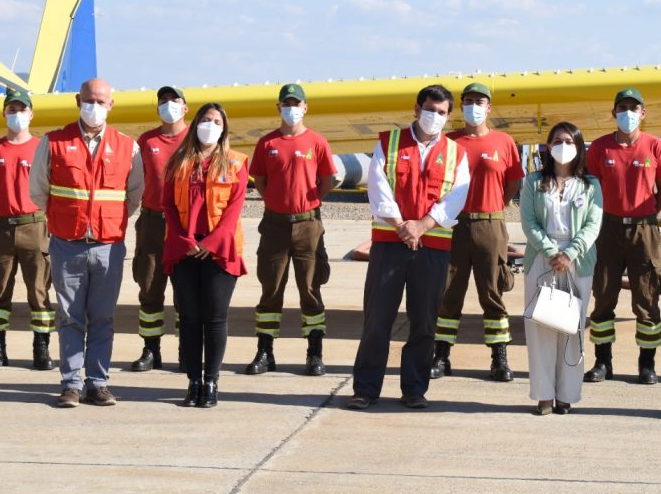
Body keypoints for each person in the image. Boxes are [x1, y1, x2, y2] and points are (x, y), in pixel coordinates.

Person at [349, 84, 470, 410]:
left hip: (432, 247)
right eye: (430, 110)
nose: (435, 117)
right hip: (390, 244)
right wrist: (402, 224)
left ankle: (414, 389)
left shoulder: (457, 154)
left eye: (442, 113)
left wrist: (423, 225)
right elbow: (378, 188)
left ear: (448, 116)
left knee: (424, 321)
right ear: (417, 109)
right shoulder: (388, 143)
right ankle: (365, 389)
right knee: (377, 319)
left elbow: (456, 196)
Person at [29, 78, 144, 408]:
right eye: (89, 100)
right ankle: (71, 383)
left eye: (101, 101)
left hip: (108, 246)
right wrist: (63, 221)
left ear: (111, 105)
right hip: (68, 245)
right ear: (79, 100)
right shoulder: (53, 142)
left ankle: (98, 382)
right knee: (70, 317)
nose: (94, 106)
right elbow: (38, 191)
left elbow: (134, 194)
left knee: (103, 318)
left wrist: (109, 222)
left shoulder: (127, 146)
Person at [431, 82, 523, 382]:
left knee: (493, 292)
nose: (474, 106)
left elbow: (512, 183)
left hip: (490, 226)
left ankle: (499, 358)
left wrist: (494, 207)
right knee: (448, 293)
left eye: (479, 101)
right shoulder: (448, 142)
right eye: (468, 101)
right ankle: (441, 356)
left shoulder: (504, 142)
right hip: (454, 225)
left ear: (489, 107)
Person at [584, 88, 661, 384]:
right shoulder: (599, 148)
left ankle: (647, 364)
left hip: (644, 229)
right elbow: (589, 189)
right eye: (622, 108)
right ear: (614, 113)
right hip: (607, 228)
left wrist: (646, 214)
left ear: (643, 113)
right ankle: (602, 362)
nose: (628, 113)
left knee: (647, 297)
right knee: (604, 294)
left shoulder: (655, 146)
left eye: (634, 108)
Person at [247, 83, 337, 376]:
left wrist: (307, 205)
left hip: (308, 225)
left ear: (305, 107)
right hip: (274, 225)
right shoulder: (267, 143)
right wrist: (277, 202)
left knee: (310, 289)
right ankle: (265, 351)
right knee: (270, 288)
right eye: (286, 103)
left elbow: (326, 181)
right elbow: (259, 180)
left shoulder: (317, 142)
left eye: (296, 103)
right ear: (279, 108)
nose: (291, 108)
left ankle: (314, 353)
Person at [162, 103, 248, 408]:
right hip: (184, 248)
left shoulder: (236, 163)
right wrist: (185, 240)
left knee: (214, 318)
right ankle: (193, 381)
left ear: (224, 128)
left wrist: (210, 244)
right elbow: (169, 206)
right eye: (205, 120)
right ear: (195, 123)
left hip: (219, 251)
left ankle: (211, 381)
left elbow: (234, 210)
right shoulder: (178, 162)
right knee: (188, 318)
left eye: (216, 121)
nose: (209, 126)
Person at [0, 88, 55, 371]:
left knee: (39, 291)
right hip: (1, 228)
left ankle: (41, 349)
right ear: (4, 113)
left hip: (35, 226)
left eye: (21, 109)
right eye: (11, 110)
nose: (16, 114)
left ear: (31, 113)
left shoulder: (43, 147)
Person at [521, 122, 602, 415]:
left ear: (579, 146)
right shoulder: (533, 182)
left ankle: (567, 394)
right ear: (548, 146)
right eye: (557, 140)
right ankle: (543, 394)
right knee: (540, 326)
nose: (563, 145)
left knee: (572, 327)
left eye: (569, 140)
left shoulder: (591, 185)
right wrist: (551, 251)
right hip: (541, 259)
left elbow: (593, 224)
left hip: (578, 262)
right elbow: (529, 222)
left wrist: (570, 252)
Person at [130, 85, 190, 372]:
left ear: (185, 108)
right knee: (150, 286)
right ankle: (151, 349)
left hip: (184, 222)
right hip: (152, 221)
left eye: (174, 100)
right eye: (163, 101)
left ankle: (186, 349)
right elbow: (133, 180)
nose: (168, 105)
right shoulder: (146, 140)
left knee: (185, 291)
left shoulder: (195, 139)